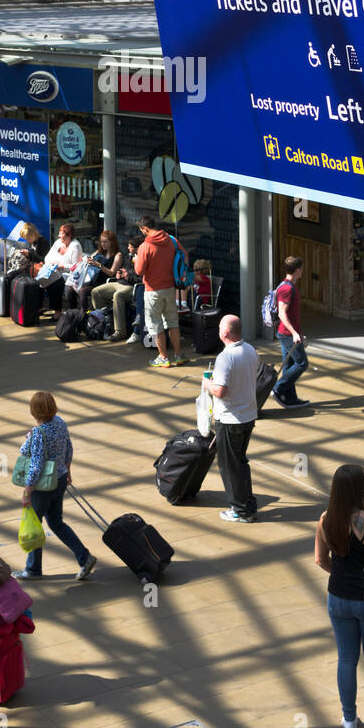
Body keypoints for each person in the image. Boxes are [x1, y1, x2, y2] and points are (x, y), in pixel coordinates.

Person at [314, 464, 364, 728]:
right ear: (362, 488)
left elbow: (319, 560)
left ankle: (349, 719)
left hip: (337, 598)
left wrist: (339, 575)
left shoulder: (326, 519)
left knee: (346, 660)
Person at [14, 391, 96, 582]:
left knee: (34, 525)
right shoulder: (59, 422)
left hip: (43, 486)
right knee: (56, 522)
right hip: (59, 479)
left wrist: (27, 491)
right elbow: (69, 447)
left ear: (34, 411)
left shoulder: (38, 433)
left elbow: (35, 464)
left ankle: (33, 570)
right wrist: (67, 470)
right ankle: (84, 557)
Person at [202, 315, 259, 522]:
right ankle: (247, 503)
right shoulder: (251, 350)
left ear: (225, 333)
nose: (218, 330)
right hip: (248, 415)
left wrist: (207, 384)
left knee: (229, 465)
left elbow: (221, 391)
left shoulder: (225, 357)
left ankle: (240, 510)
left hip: (230, 419)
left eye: (219, 327)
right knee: (241, 461)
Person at [135, 215, 188, 368]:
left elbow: (139, 271)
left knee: (156, 324)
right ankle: (178, 355)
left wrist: (137, 259)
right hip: (170, 287)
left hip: (153, 290)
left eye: (142, 231)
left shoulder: (145, 246)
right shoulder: (171, 239)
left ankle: (163, 358)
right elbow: (184, 255)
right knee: (173, 322)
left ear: (145, 229)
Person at [271, 254, 311, 408]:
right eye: (301, 269)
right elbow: (282, 313)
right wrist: (294, 333)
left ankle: (290, 398)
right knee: (302, 363)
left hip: (288, 333)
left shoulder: (286, 285)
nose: (302, 271)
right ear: (298, 270)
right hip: (287, 334)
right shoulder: (287, 288)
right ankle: (278, 388)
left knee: (289, 365)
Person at [38, 222, 83, 315]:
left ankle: (57, 312)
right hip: (54, 271)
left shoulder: (75, 246)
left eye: (62, 234)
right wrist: (51, 264)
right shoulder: (58, 243)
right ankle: (38, 308)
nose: (59, 236)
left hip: (68, 275)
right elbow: (47, 257)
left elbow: (76, 267)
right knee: (39, 280)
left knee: (55, 283)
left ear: (69, 235)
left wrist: (62, 266)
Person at [72, 230, 121, 312]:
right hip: (94, 279)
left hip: (105, 282)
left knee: (83, 291)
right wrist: (88, 260)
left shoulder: (117, 255)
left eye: (105, 242)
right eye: (101, 242)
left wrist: (99, 265)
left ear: (112, 242)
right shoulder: (100, 251)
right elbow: (90, 258)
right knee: (71, 288)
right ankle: (74, 313)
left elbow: (112, 273)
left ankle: (83, 314)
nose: (103, 244)